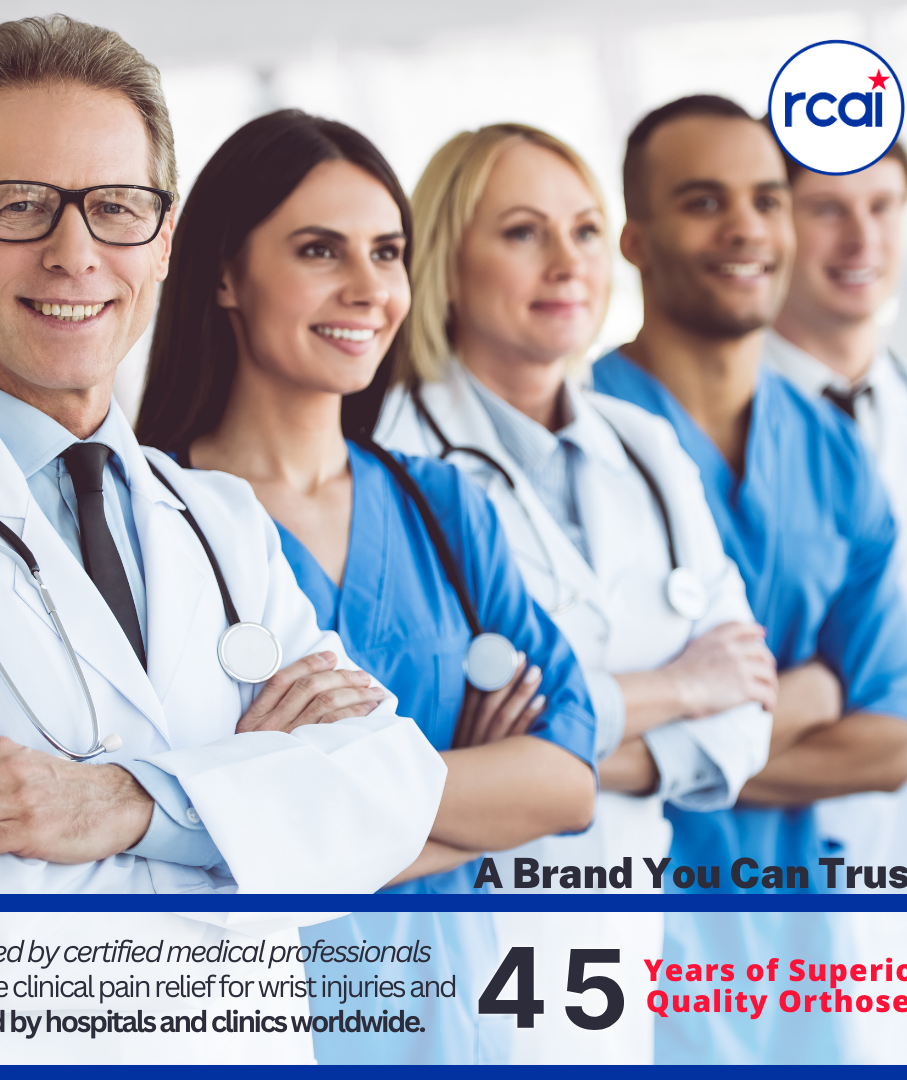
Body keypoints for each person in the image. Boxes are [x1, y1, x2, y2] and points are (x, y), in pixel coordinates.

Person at [0, 16, 448, 896]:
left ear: (165, 239)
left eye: (116, 208)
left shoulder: (220, 519)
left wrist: (124, 804)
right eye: (20, 204)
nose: (74, 255)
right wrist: (248, 816)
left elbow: (390, 801)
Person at [135, 109, 598, 1063]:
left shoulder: (445, 507)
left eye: (387, 252)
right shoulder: (148, 526)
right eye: (320, 250)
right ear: (222, 274)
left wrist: (290, 815)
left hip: (459, 1033)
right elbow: (168, 856)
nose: (368, 288)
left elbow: (565, 783)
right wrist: (476, 808)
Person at [375, 122, 773, 1065]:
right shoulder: (391, 461)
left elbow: (747, 712)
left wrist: (544, 761)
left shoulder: (647, 446)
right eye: (523, 232)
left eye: (587, 230)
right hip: (458, 944)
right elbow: (414, 753)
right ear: (446, 261)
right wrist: (680, 688)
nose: (568, 262)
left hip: (616, 954)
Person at [591, 94, 907, 1064]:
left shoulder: (830, 448)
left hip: (798, 960)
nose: (746, 229)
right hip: (620, 950)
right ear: (636, 239)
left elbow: (891, 743)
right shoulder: (572, 439)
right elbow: (540, 749)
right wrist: (810, 697)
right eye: (704, 202)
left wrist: (642, 757)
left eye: (768, 200)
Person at [764, 142, 907, 871]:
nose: (862, 238)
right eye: (828, 210)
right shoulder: (695, 421)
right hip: (732, 854)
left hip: (900, 847)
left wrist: (838, 687)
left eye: (882, 207)